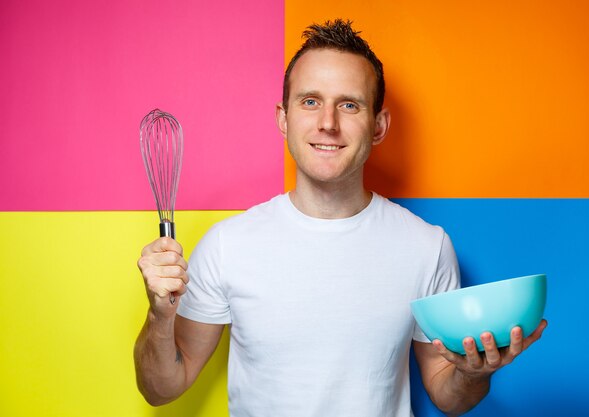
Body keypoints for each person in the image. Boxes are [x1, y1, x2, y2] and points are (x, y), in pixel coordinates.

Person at [134, 19, 547, 417]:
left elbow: (447, 394)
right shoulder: (228, 245)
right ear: (284, 118)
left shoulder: (427, 245)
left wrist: (474, 374)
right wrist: (159, 315)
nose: (327, 123)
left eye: (349, 105)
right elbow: (160, 388)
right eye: (310, 101)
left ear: (379, 125)